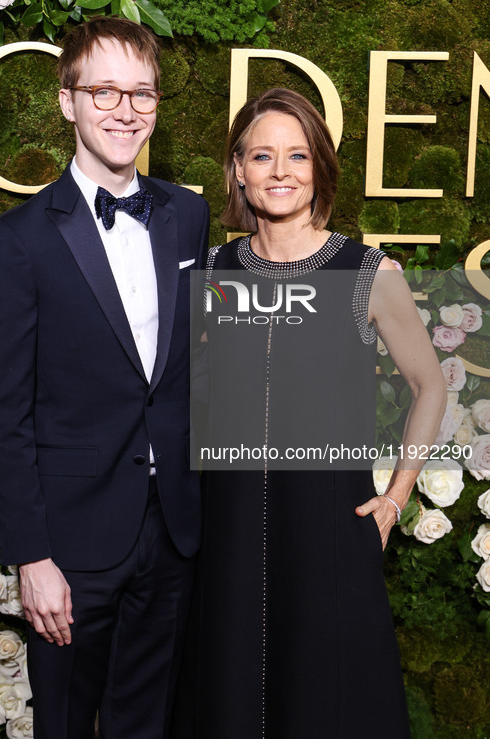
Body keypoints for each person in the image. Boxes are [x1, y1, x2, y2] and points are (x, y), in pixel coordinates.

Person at [185, 88, 446, 738]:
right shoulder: (214, 268)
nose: (280, 171)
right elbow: (183, 390)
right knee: (228, 696)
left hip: (330, 527)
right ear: (238, 169)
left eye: (297, 155)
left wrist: (396, 495)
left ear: (320, 168)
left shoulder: (365, 271)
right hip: (226, 528)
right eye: (262, 155)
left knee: (328, 702)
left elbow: (429, 383)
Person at [0, 16, 209, 739]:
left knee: (151, 723)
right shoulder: (19, 240)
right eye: (104, 90)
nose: (125, 109)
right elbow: (6, 413)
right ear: (67, 101)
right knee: (68, 725)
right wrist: (31, 556)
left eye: (141, 93)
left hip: (172, 530)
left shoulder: (189, 215)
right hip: (71, 544)